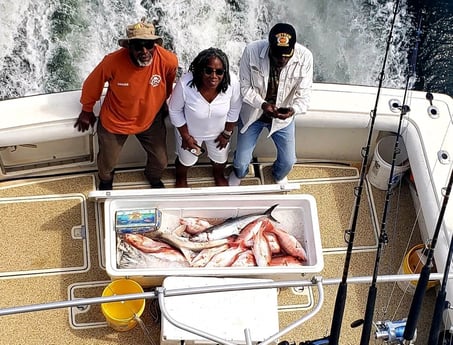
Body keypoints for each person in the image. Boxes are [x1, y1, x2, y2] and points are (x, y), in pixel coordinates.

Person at [74, 18, 179, 190]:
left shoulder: (169, 60)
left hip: (150, 120)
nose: (144, 51)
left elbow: (168, 83)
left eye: (149, 45)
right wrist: (87, 110)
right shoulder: (111, 61)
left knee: (161, 161)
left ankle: (152, 176)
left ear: (155, 45)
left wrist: (165, 103)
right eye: (138, 46)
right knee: (108, 162)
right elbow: (92, 85)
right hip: (115, 122)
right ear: (129, 46)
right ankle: (106, 180)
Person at [229, 23, 313, 186]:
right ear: (268, 47)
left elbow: (305, 96)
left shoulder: (306, 57)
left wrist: (292, 110)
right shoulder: (251, 50)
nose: (281, 59)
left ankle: (277, 173)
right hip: (254, 114)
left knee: (289, 162)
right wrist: (263, 105)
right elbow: (244, 88)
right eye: (277, 55)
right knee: (240, 163)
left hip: (283, 119)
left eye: (286, 55)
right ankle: (240, 173)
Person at [168, 47, 241, 187]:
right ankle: (181, 176)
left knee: (220, 160)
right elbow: (174, 110)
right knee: (186, 162)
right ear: (200, 70)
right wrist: (186, 137)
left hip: (219, 133)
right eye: (208, 70)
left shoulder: (232, 82)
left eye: (219, 72)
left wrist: (226, 134)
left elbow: (235, 108)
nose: (214, 76)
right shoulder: (185, 83)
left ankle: (218, 174)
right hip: (190, 134)